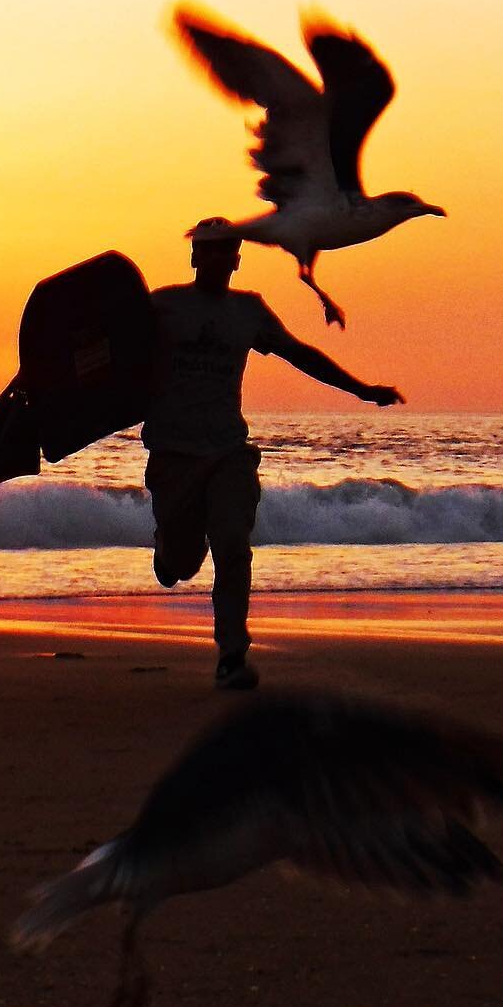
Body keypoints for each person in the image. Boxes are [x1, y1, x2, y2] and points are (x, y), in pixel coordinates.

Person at [142, 221, 404, 690]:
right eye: (211, 251)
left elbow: (300, 354)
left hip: (227, 453)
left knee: (232, 546)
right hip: (174, 453)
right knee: (181, 565)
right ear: (196, 258)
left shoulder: (248, 311)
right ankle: (170, 550)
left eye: (229, 252)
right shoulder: (161, 307)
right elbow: (103, 358)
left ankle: (232, 656)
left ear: (238, 259)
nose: (221, 259)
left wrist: (361, 390)